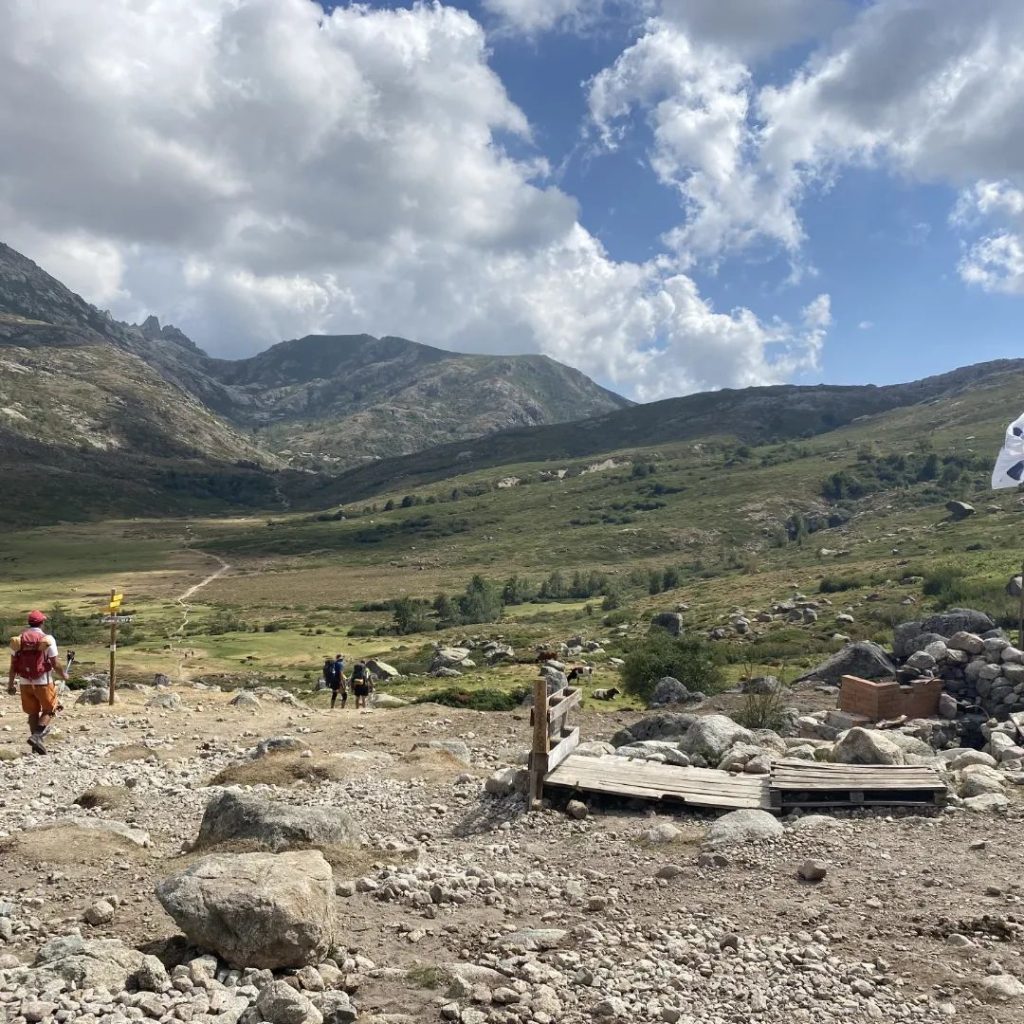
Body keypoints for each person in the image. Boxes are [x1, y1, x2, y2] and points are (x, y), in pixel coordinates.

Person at [7, 610, 70, 755]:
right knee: (50, 709)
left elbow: (12, 666)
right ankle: (36, 737)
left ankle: (36, 747)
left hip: (24, 682)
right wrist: (64, 674)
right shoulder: (47, 639)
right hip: (43, 681)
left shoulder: (18, 640)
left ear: (29, 622)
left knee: (32, 712)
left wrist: (10, 685)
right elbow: (55, 663)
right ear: (42, 623)